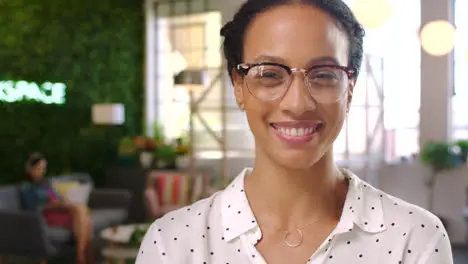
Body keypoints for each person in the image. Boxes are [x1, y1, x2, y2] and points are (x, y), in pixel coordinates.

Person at [136, 0, 453, 263]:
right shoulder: (172, 244)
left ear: (350, 89)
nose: (298, 103)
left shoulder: (414, 239)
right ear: (239, 86)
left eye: (324, 74)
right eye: (270, 74)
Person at [19, 153, 94, 264]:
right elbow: (34, 208)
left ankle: (82, 256)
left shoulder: (45, 184)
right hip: (45, 216)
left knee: (83, 215)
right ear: (30, 169)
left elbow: (55, 196)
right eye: (38, 168)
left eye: (43, 168)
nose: (42, 172)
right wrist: (53, 205)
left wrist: (61, 202)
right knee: (81, 213)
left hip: (57, 211)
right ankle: (82, 257)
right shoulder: (27, 187)